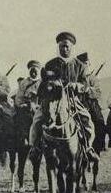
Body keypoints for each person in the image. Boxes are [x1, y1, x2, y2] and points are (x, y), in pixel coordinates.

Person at [28, 31, 98, 162]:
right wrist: (52, 84)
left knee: (87, 120)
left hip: (72, 100)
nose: (64, 49)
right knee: (37, 120)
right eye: (62, 46)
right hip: (53, 99)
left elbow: (85, 85)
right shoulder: (51, 64)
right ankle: (34, 148)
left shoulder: (80, 66)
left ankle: (88, 148)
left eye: (67, 46)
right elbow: (45, 82)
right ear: (58, 47)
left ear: (72, 47)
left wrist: (75, 86)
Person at [77, 52, 106, 153]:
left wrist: (88, 89)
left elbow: (98, 93)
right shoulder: (76, 78)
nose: (84, 66)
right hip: (78, 103)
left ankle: (99, 146)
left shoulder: (93, 78)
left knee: (99, 122)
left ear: (89, 63)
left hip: (91, 104)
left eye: (86, 63)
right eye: (81, 64)